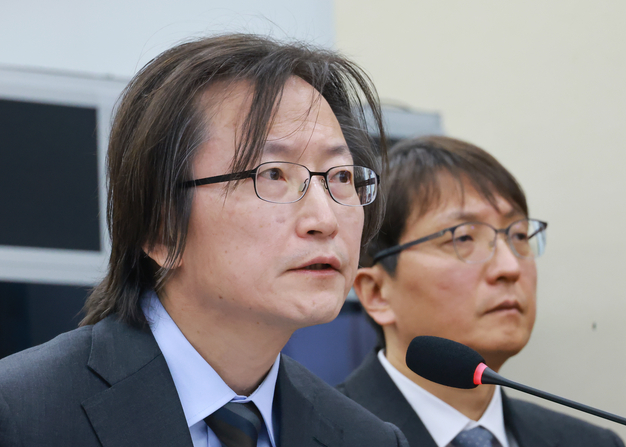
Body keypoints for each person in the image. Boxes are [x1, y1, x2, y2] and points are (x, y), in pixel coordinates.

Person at [0, 34, 409, 447]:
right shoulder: (23, 415)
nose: (324, 220)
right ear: (161, 229)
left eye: (341, 177)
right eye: (272, 174)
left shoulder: (367, 439)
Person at [338, 136, 625, 447]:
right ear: (377, 293)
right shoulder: (323, 435)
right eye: (463, 238)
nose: (510, 267)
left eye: (519, 235)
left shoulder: (591, 442)